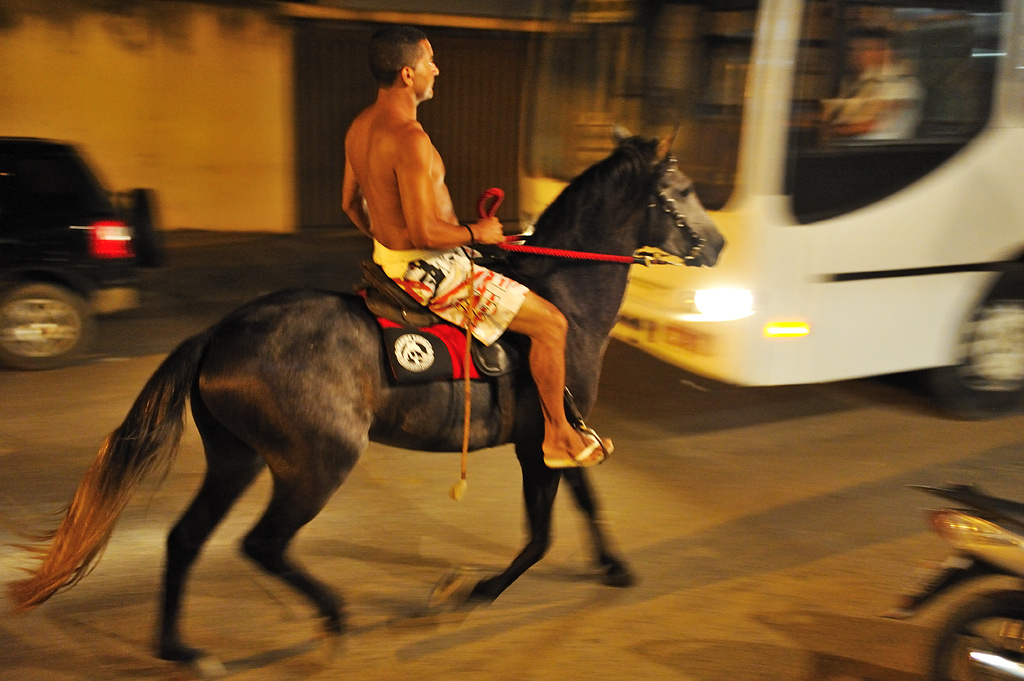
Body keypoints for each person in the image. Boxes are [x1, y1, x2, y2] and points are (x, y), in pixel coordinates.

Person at [342, 25, 610, 468]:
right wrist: (476, 234)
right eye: (430, 62)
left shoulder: (360, 126)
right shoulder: (410, 138)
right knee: (552, 325)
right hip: (431, 270)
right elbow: (427, 233)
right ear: (408, 75)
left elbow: (350, 203)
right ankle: (558, 435)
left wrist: (388, 240)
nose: (437, 69)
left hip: (390, 263)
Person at [822, 26, 923, 142]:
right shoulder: (862, 81)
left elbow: (873, 124)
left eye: (865, 49)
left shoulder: (902, 85)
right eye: (852, 49)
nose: (857, 55)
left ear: (886, 52)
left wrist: (830, 131)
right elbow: (843, 115)